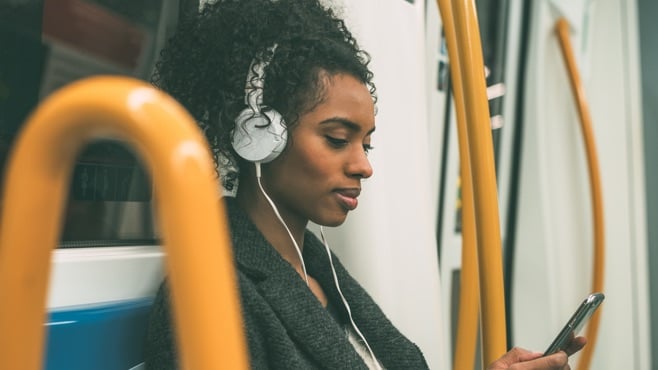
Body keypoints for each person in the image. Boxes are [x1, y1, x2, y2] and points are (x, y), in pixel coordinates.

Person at [145, 0, 586, 369]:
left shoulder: (321, 270)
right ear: (259, 136)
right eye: (337, 139)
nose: (363, 166)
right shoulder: (208, 296)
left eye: (366, 146)